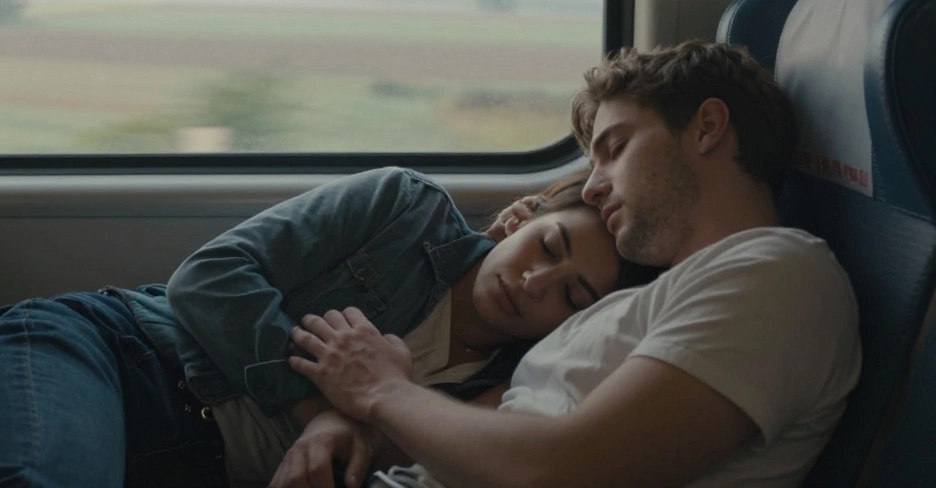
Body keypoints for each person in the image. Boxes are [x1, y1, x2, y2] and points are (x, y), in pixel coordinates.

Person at [286, 40, 863, 488]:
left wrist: (382, 390)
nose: (591, 189)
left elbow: (561, 473)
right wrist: (342, 423)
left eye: (614, 148)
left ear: (707, 128)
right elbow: (498, 428)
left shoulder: (779, 276)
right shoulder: (638, 302)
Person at [0, 166, 655, 488]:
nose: (534, 284)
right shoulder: (406, 208)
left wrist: (371, 422)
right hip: (108, 358)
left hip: (191, 464)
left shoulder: (510, 389)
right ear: (522, 217)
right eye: (547, 249)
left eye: (571, 295)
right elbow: (208, 278)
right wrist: (320, 413)